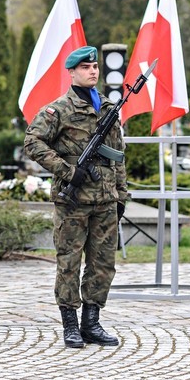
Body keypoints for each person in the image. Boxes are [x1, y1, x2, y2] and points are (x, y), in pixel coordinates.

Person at [23, 46, 128, 348]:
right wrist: (67, 171)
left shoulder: (108, 108)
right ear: (72, 72)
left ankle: (92, 323)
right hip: (73, 201)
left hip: (105, 199)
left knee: (102, 263)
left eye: (95, 66)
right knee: (69, 262)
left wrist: (121, 195)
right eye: (85, 67)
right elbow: (33, 141)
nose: (93, 71)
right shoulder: (59, 109)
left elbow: (118, 157)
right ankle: (70, 324)